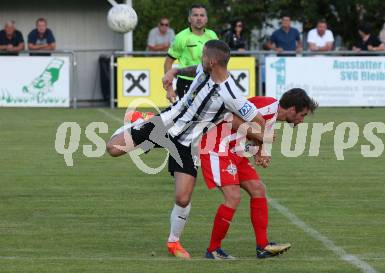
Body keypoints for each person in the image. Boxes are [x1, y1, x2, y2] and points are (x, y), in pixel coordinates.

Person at [106, 40, 268, 259]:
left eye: (203, 55)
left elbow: (258, 120)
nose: (200, 59)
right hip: (164, 123)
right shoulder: (204, 69)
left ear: (212, 61)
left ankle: (173, 242)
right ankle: (139, 122)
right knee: (113, 149)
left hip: (186, 144)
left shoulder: (232, 95)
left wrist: (262, 142)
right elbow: (192, 69)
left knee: (183, 198)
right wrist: (175, 71)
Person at [200, 89, 318, 259]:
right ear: (292, 109)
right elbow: (229, 118)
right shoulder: (266, 107)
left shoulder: (273, 116)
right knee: (233, 197)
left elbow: (254, 135)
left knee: (258, 189)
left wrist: (258, 152)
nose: (302, 120)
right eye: (303, 114)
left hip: (235, 150)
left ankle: (263, 246)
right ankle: (213, 249)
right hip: (217, 146)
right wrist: (262, 137)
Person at [164, 4, 218, 102]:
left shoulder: (212, 35)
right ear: (189, 19)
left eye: (202, 15)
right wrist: (169, 88)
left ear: (206, 19)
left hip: (208, 81)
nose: (199, 18)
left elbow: (218, 61)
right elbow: (168, 62)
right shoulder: (181, 37)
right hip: (186, 82)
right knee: (189, 116)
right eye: (195, 15)